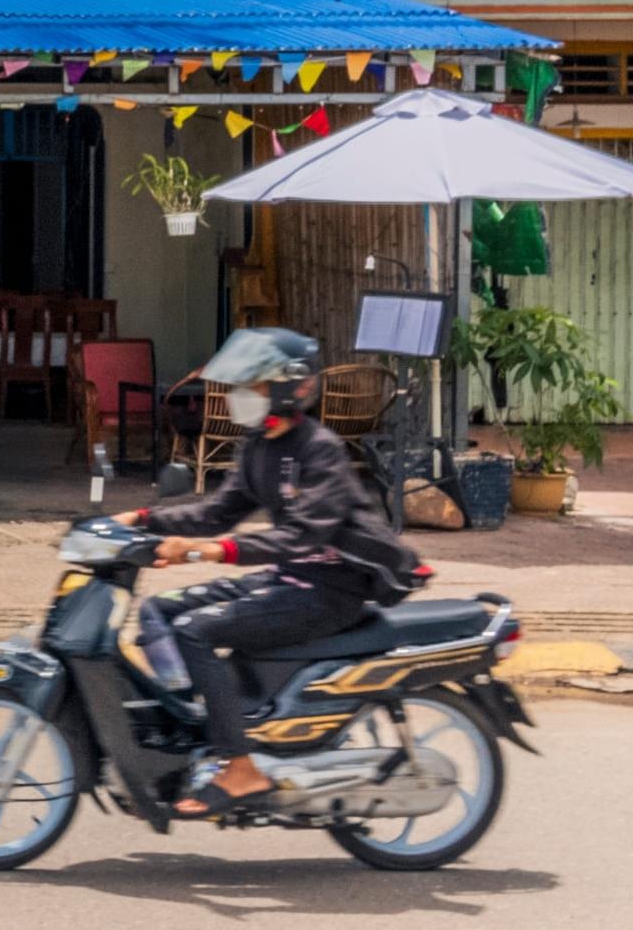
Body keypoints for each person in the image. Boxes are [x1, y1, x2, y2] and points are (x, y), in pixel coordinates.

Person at [132, 327, 425, 818]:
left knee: (194, 631)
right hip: (287, 581)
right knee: (159, 611)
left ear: (293, 386)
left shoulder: (320, 450)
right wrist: (141, 521)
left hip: (328, 593)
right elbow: (216, 513)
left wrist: (207, 553)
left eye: (255, 384)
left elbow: (299, 537)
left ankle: (239, 767)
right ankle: (203, 727)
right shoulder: (260, 447)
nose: (241, 395)